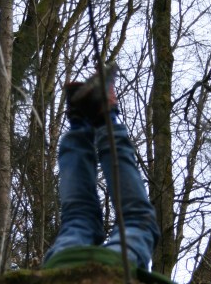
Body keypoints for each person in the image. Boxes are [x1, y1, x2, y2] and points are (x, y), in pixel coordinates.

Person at [44, 62, 160, 270]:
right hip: (63, 264)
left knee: (133, 218)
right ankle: (81, 121)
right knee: (79, 218)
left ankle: (96, 118)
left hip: (68, 267)